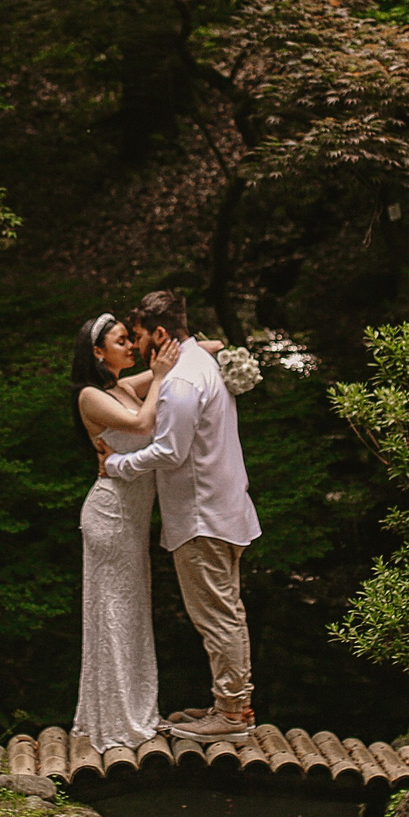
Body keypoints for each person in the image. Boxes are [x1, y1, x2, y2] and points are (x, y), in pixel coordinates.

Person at [101, 290, 262, 742]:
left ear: (160, 333)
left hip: (202, 516)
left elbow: (171, 452)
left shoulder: (182, 381)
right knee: (225, 611)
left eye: (139, 337)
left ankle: (231, 716)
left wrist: (117, 464)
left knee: (217, 617)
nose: (136, 348)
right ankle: (229, 703)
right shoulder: (199, 364)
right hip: (223, 508)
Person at [70, 312, 182, 750]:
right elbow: (141, 425)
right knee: (115, 615)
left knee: (130, 612)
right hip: (110, 517)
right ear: (98, 352)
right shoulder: (90, 397)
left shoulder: (122, 386)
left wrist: (204, 350)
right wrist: (159, 377)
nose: (131, 347)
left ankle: (125, 710)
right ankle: (117, 720)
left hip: (130, 522)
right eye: (121, 341)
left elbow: (179, 362)